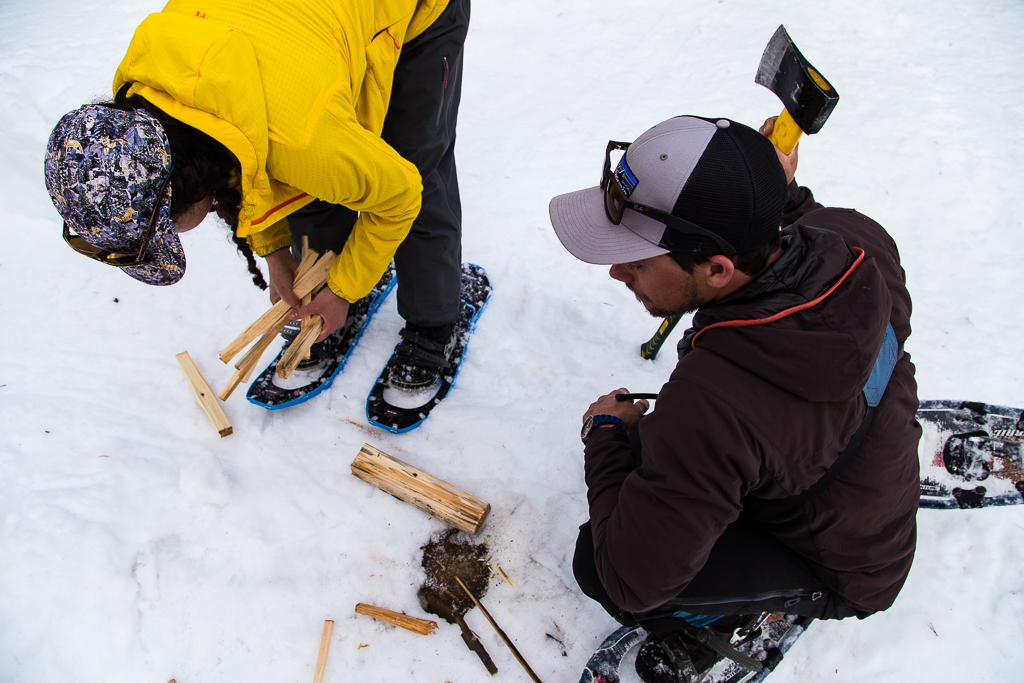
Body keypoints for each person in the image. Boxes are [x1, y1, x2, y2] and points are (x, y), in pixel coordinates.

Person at [548, 115, 920, 679]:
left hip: (847, 567)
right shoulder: (855, 237)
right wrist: (775, 189)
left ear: (719, 270)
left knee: (601, 567)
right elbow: (791, 222)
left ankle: (752, 609)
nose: (617, 273)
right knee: (673, 466)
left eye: (638, 262)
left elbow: (633, 577)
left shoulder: (714, 406)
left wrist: (604, 436)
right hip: (847, 465)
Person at [43, 0, 470, 392]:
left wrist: (343, 290)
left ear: (186, 184)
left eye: (167, 228)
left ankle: (433, 322)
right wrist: (274, 252)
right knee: (315, 180)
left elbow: (398, 194)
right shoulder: (142, 100)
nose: (175, 234)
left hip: (415, 12)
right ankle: (324, 290)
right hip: (304, 48)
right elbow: (239, 147)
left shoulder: (300, 140)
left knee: (413, 166)